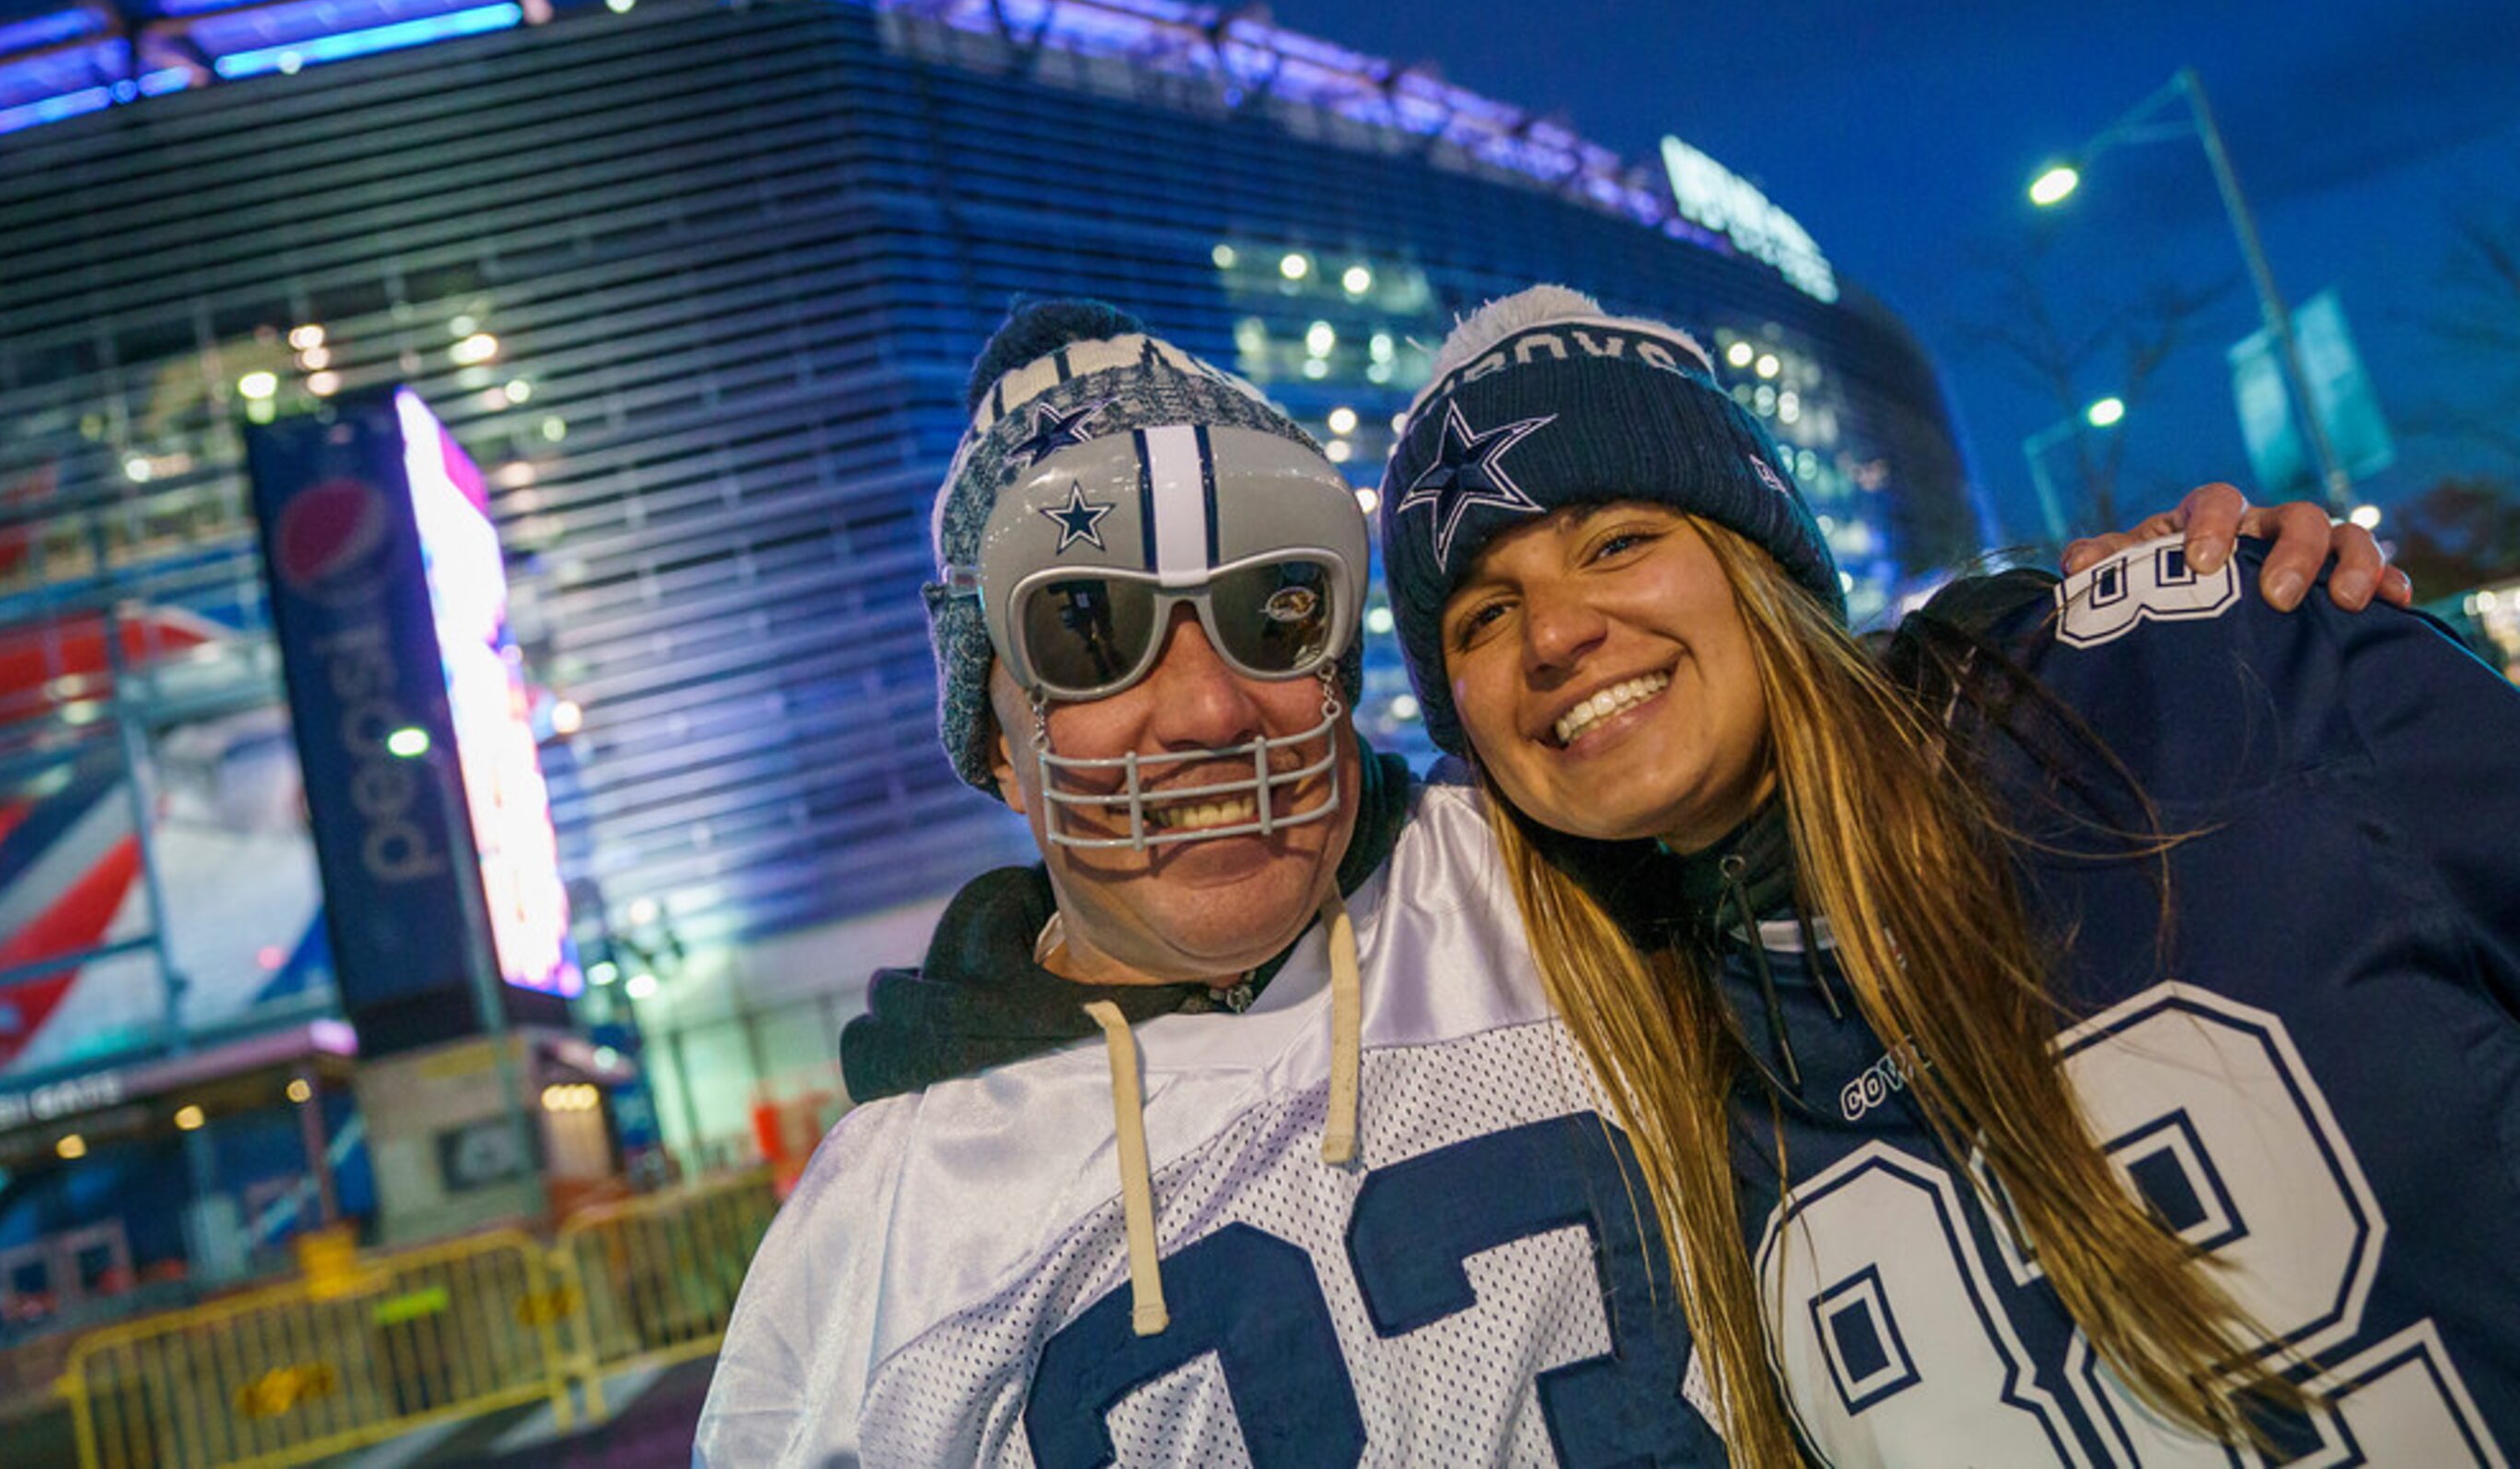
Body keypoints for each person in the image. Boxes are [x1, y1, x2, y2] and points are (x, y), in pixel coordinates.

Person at [695, 295, 2399, 1466]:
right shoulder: (875, 1243)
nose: (1208, 705)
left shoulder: (1550, 874)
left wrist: (2127, 629)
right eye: (1093, 630)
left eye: (1272, 612)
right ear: (991, 738)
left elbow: (1794, 712)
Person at [1377, 284, 2519, 1466]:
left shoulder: (2203, 687)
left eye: (1615, 543)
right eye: (1480, 618)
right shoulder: (1616, 1057)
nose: (1552, 636)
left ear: (1759, 556)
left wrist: (2217, 608)